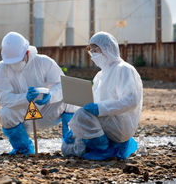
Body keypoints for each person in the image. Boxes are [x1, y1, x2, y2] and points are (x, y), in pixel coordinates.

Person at [61, 31, 143, 160]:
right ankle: (103, 145)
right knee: (67, 148)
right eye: (91, 50)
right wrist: (74, 129)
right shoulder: (100, 75)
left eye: (96, 50)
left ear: (108, 48)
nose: (93, 54)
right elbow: (90, 103)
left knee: (82, 115)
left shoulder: (124, 69)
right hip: (102, 122)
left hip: (119, 123)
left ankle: (105, 149)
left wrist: (100, 108)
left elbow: (131, 100)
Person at [0, 31, 77, 155]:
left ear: (27, 52)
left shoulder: (43, 62)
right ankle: (23, 149)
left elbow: (63, 85)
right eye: (11, 62)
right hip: (23, 117)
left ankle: (71, 145)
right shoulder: (2, 68)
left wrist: (50, 96)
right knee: (5, 113)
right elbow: (3, 98)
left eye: (17, 60)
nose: (14, 65)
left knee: (72, 99)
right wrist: (25, 98)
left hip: (47, 110)